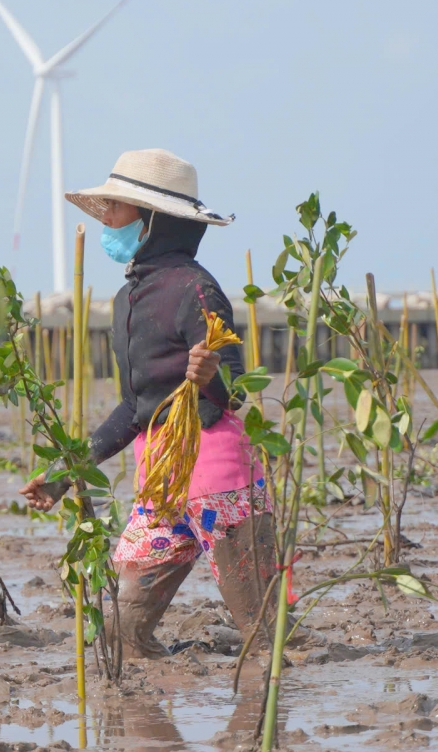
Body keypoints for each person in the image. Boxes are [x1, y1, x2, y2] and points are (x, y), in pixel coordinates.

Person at [19, 148, 277, 658]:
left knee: (262, 636)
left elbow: (235, 390)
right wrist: (65, 471)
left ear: (152, 221)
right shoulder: (126, 300)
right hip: (161, 483)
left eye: (116, 208)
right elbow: (134, 410)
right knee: (121, 634)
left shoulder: (197, 290)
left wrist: (208, 379)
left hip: (219, 485)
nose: (106, 220)